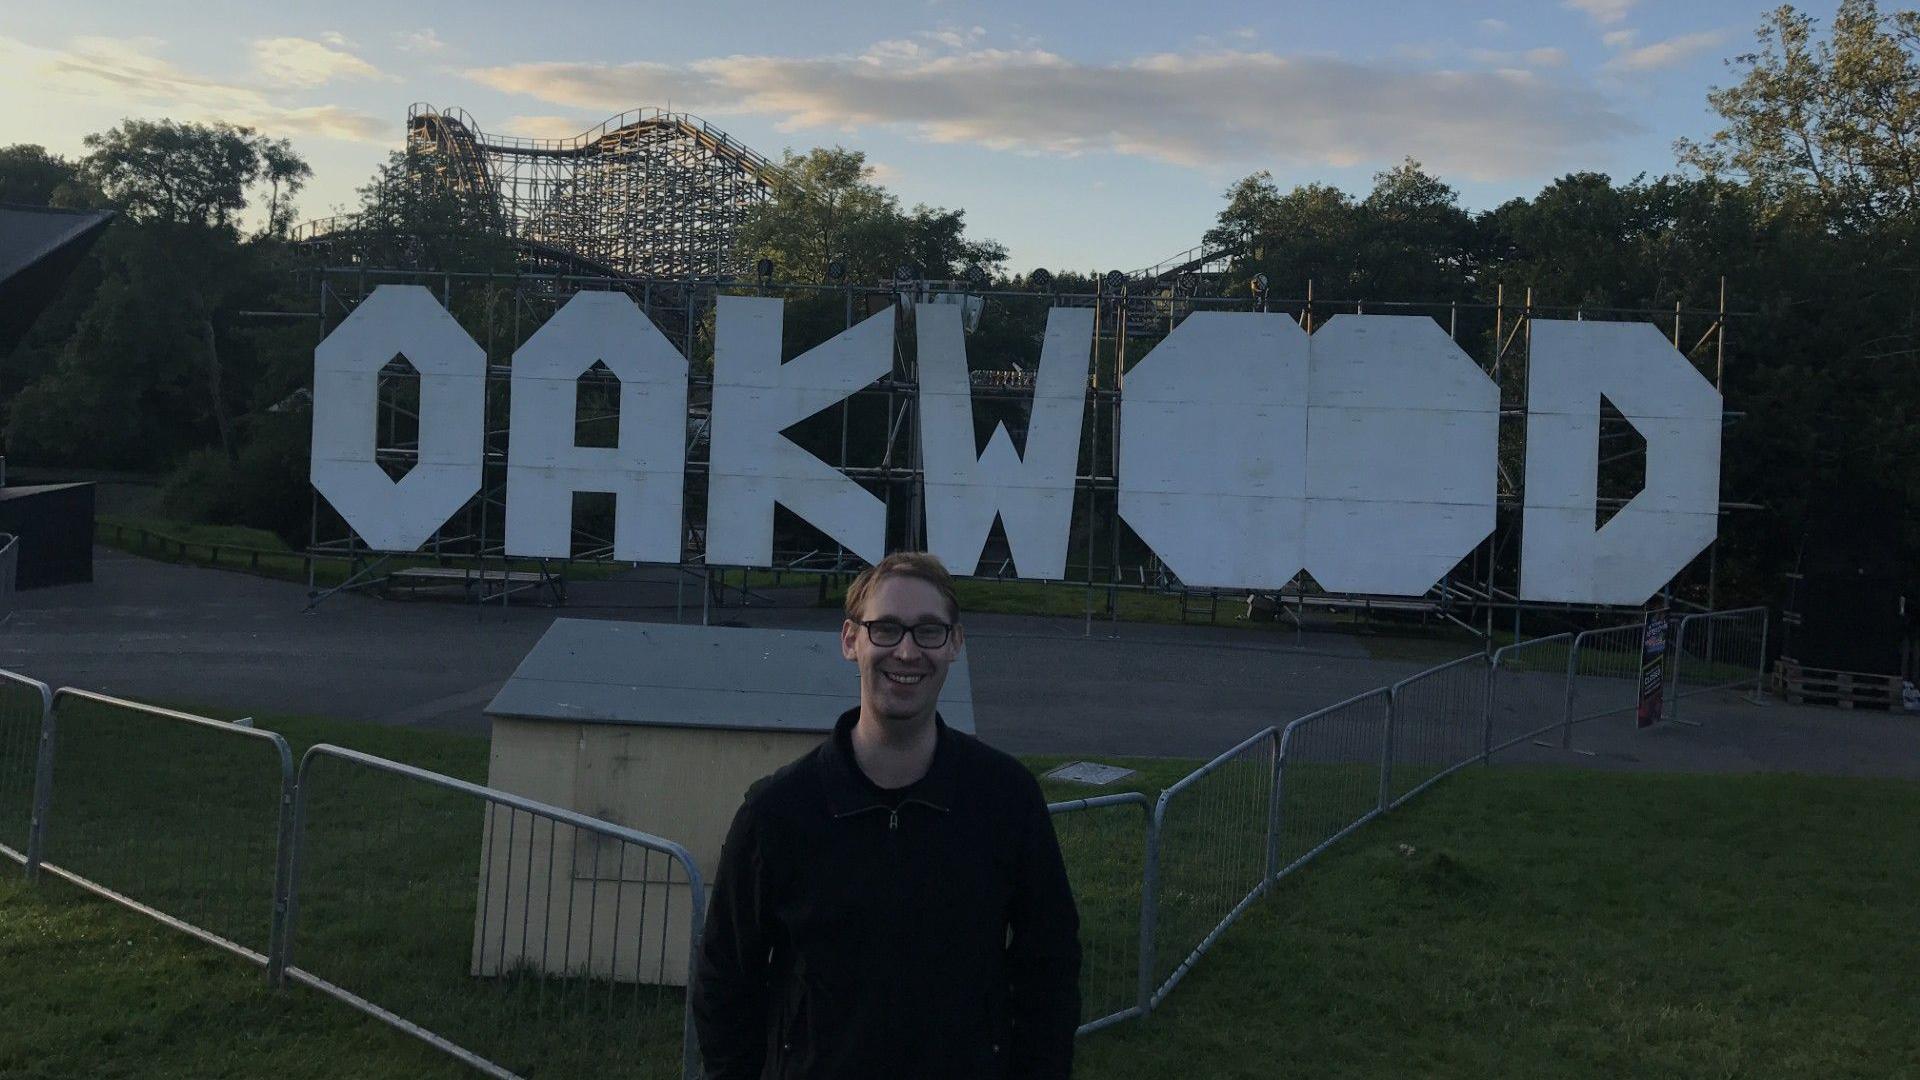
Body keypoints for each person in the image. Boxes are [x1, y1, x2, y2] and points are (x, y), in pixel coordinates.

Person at [692, 552, 1081, 1079]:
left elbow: (1049, 971)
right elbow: (726, 982)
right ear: (850, 640)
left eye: (928, 631)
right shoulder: (778, 813)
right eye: (887, 628)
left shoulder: (1007, 801)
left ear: (955, 644)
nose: (907, 650)